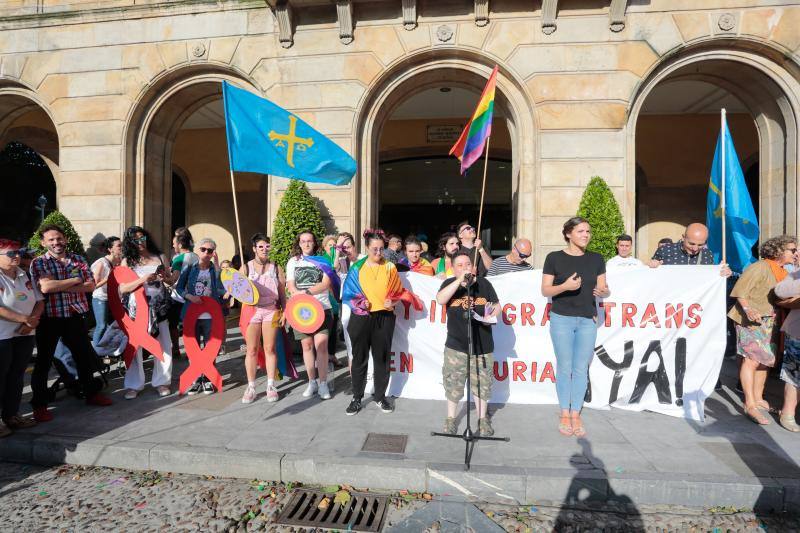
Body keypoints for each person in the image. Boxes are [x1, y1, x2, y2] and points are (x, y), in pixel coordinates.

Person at [29, 224, 112, 421]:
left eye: (58, 238)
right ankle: (40, 405)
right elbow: (46, 287)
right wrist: (74, 281)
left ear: (65, 239)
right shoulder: (39, 262)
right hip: (50, 318)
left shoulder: (78, 259)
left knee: (83, 357)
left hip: (75, 316)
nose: (56, 242)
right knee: (43, 362)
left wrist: (62, 285)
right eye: (51, 240)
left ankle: (92, 394)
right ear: (43, 243)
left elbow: (91, 285)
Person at [541, 216, 609, 438]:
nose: (586, 235)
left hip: (587, 319)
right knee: (564, 366)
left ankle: (576, 413)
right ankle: (564, 413)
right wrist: (565, 286)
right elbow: (546, 290)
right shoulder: (554, 258)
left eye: (588, 231)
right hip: (561, 318)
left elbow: (603, 287)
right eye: (581, 231)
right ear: (568, 233)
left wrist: (604, 293)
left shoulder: (597, 259)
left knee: (581, 368)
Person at [728, 235, 797, 425]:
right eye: (792, 250)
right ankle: (749, 403)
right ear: (779, 251)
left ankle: (758, 399)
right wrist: (749, 310)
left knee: (764, 362)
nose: (795, 253)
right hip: (751, 321)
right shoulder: (759, 267)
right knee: (750, 361)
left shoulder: (784, 271)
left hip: (770, 322)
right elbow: (741, 290)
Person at [436, 252, 501, 436]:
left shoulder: (484, 284)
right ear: (454, 268)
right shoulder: (449, 284)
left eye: (468, 264)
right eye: (460, 265)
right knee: (453, 383)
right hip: (456, 345)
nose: (465, 267)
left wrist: (491, 315)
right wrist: (460, 282)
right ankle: (450, 419)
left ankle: (482, 419)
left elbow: (497, 306)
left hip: (482, 345)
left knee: (482, 384)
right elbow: (440, 299)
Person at [344, 229, 402, 415]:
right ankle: (357, 398)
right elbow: (348, 294)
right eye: (374, 249)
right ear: (367, 248)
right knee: (359, 358)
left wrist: (392, 302)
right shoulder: (356, 268)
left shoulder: (390, 267)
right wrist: (361, 302)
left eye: (381, 249)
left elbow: (399, 294)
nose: (378, 253)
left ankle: (380, 397)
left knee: (382, 358)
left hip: (384, 318)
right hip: (361, 318)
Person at [118, 226, 173, 399]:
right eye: (135, 240)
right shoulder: (127, 261)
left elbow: (170, 281)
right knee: (135, 347)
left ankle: (162, 381)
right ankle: (134, 384)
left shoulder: (160, 256)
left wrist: (166, 278)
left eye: (142, 238)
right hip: (137, 310)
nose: (140, 242)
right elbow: (123, 288)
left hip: (159, 308)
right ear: (129, 243)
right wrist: (142, 279)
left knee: (164, 345)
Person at [0, 238, 44, 436]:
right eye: (11, 253)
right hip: (2, 336)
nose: (17, 256)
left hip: (25, 333)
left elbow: (39, 301)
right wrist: (25, 319)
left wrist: (32, 320)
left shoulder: (24, 274)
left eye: (19, 252)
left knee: (17, 376)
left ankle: (12, 415)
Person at [286, 230, 334, 400]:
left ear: (315, 243)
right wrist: (299, 295)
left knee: (321, 347)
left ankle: (323, 383)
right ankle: (311, 381)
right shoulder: (293, 262)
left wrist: (305, 292)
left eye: (309, 241)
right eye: (303, 241)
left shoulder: (322, 261)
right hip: (301, 311)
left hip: (322, 309)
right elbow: (291, 286)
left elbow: (325, 284)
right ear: (299, 244)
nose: (306, 244)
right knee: (306, 346)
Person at [176, 238, 228, 395]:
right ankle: (196, 377)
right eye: (203, 249)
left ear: (214, 254)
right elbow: (179, 288)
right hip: (191, 313)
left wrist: (226, 291)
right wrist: (190, 296)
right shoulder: (189, 269)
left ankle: (208, 379)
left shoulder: (215, 270)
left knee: (210, 348)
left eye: (210, 251)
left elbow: (221, 289)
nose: (206, 253)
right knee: (193, 348)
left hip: (211, 315)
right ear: (198, 250)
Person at [240, 233, 286, 403]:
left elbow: (282, 293)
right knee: (251, 349)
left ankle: (271, 385)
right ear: (254, 249)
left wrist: (285, 311)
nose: (265, 249)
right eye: (261, 246)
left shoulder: (276, 268)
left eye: (267, 246)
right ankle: (251, 386)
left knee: (270, 348)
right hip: (252, 311)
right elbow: (237, 291)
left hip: (271, 310)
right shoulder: (245, 268)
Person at [648, 223, 732, 276]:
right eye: (691, 244)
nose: (695, 248)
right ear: (683, 237)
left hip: (696, 302)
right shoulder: (665, 250)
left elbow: (710, 276)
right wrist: (650, 266)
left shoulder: (707, 254)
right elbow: (647, 274)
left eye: (700, 245)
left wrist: (722, 272)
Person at [774, 259, 800, 431]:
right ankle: (787, 413)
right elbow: (780, 290)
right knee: (794, 373)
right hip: (798, 332)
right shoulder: (796, 274)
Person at [168, 227, 197, 359]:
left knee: (173, 324)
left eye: (174, 243)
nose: (173, 245)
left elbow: (174, 279)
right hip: (194, 295)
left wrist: (163, 278)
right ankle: (194, 350)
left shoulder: (179, 259)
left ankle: (176, 348)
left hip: (178, 296)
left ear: (180, 244)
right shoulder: (196, 256)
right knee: (191, 325)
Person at [90, 236, 122, 346]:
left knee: (113, 326)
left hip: (113, 299)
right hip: (100, 298)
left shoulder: (117, 262)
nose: (121, 248)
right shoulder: (101, 263)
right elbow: (93, 285)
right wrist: (107, 278)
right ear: (110, 249)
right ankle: (95, 351)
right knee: (102, 325)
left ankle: (106, 350)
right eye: (119, 246)